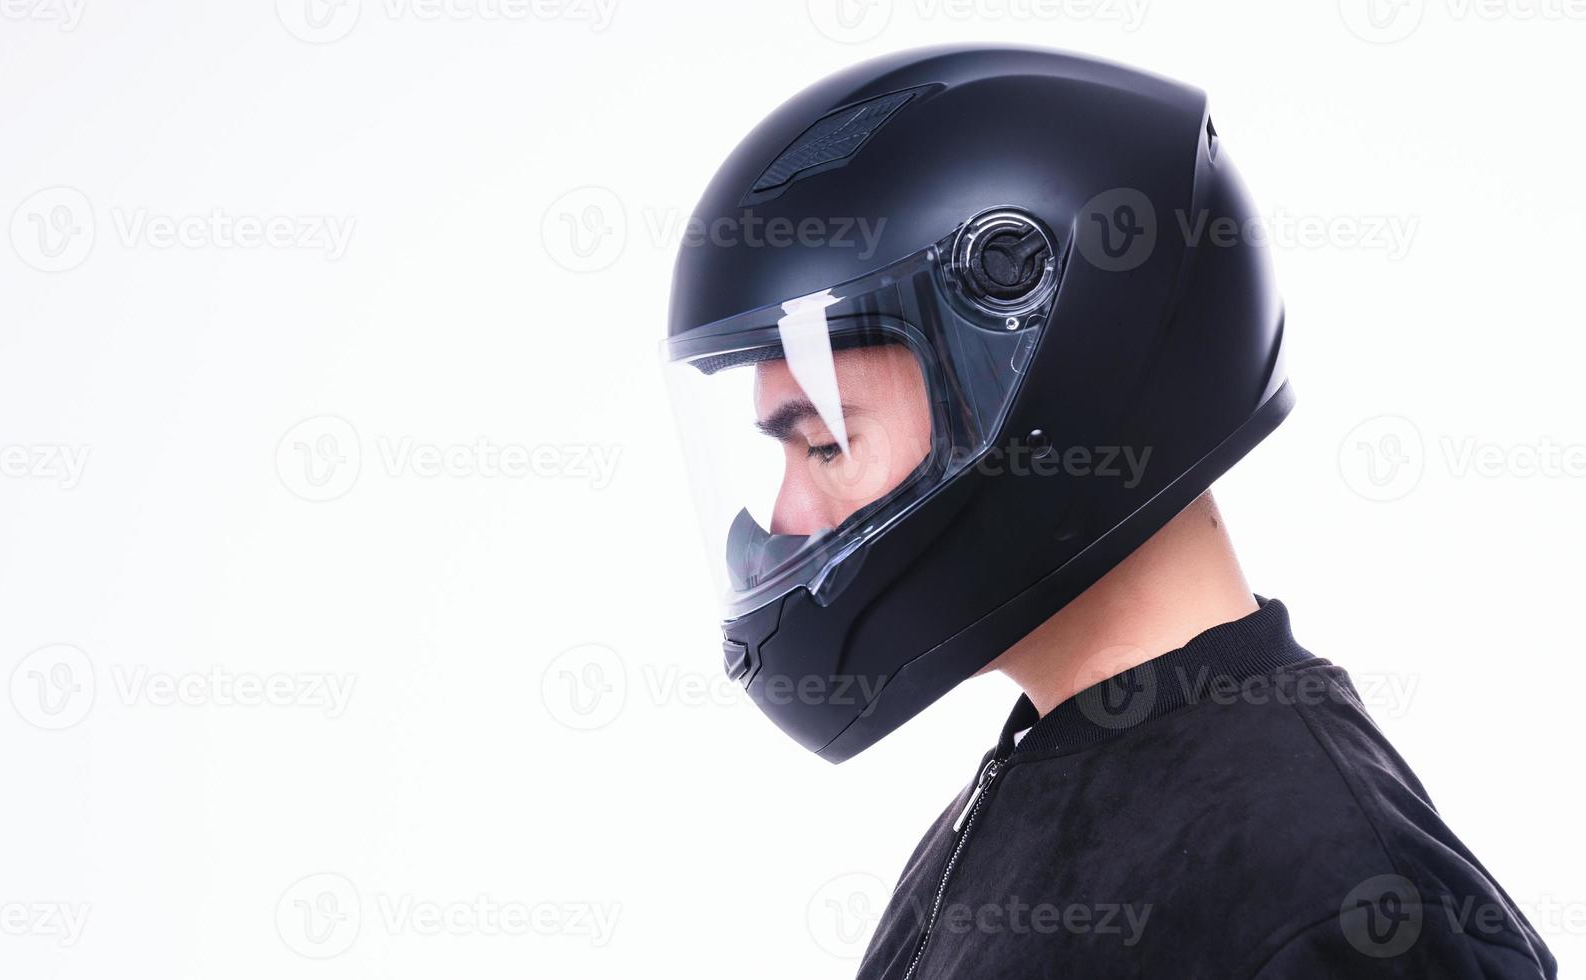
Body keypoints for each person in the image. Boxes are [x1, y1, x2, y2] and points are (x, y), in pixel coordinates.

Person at [661, 45, 1557, 977]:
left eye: (827, 443)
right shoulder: (1021, 803)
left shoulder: (1339, 897)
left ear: (1051, 379)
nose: (785, 515)